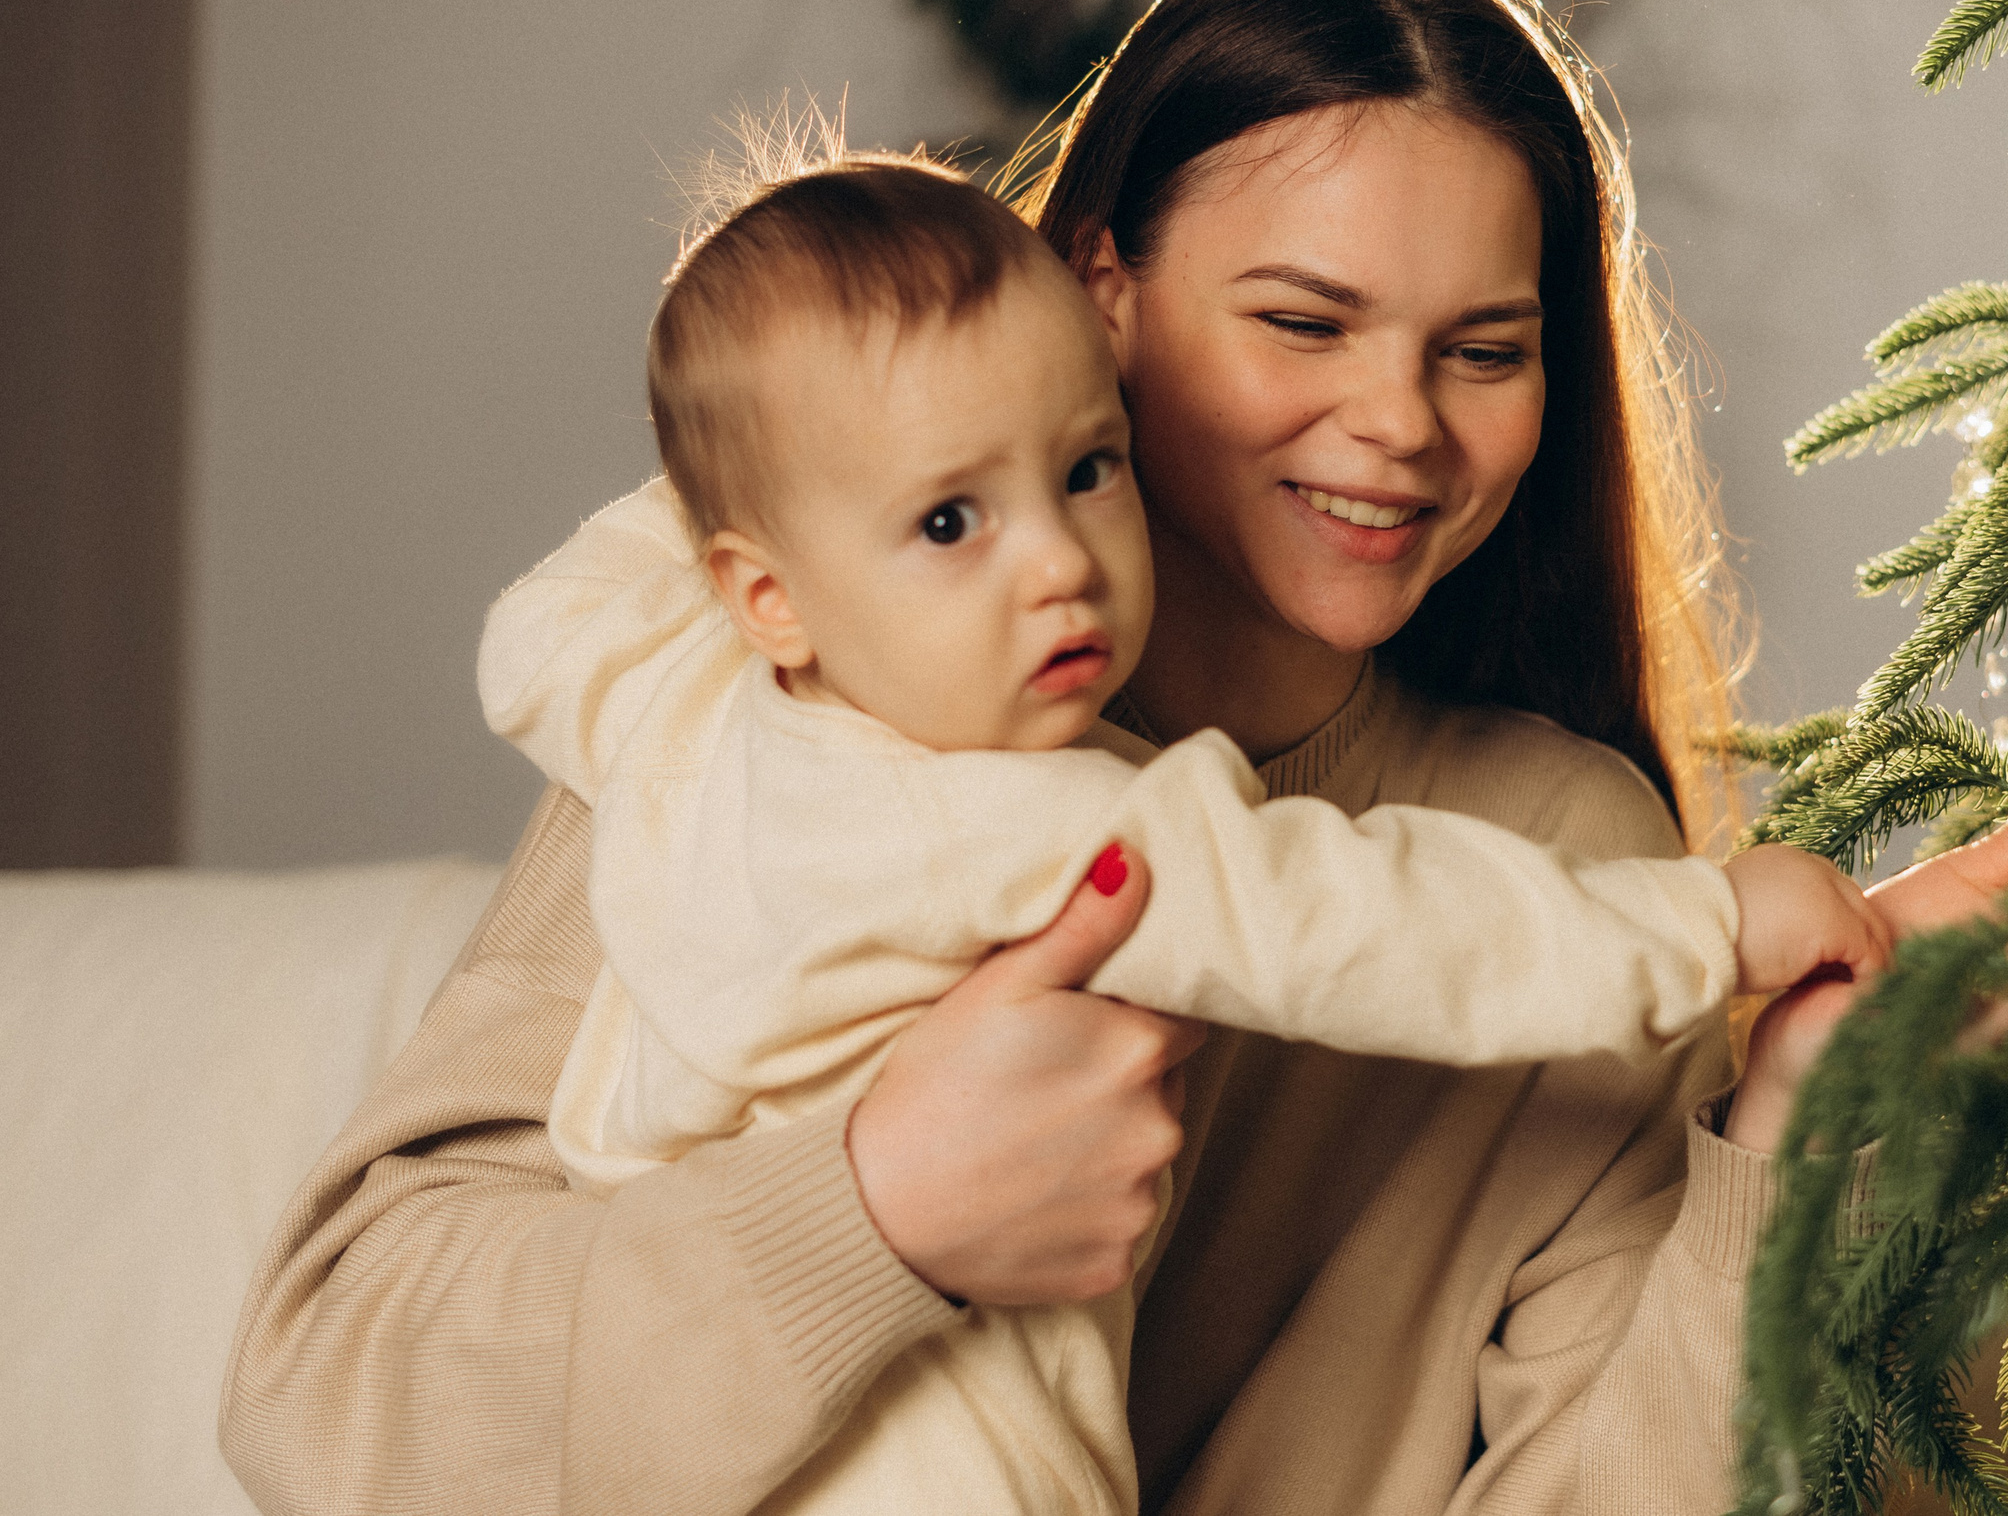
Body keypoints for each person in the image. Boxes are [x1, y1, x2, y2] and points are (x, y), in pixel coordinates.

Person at [222, 0, 2008, 1515]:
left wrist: (1789, 1137)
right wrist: (874, 1217)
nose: (1400, 424)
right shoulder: (782, 709)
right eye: (1302, 321)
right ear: (1101, 298)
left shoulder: (1557, 862)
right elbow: (328, 1400)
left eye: (1486, 351)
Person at [487, 151, 1896, 1514]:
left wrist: (814, 472)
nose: (1051, 561)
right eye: (949, 517)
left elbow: (539, 631)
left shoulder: (671, 694)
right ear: (1112, 303)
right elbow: (1364, 920)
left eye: (1084, 471)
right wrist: (1713, 925)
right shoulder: (1046, 816)